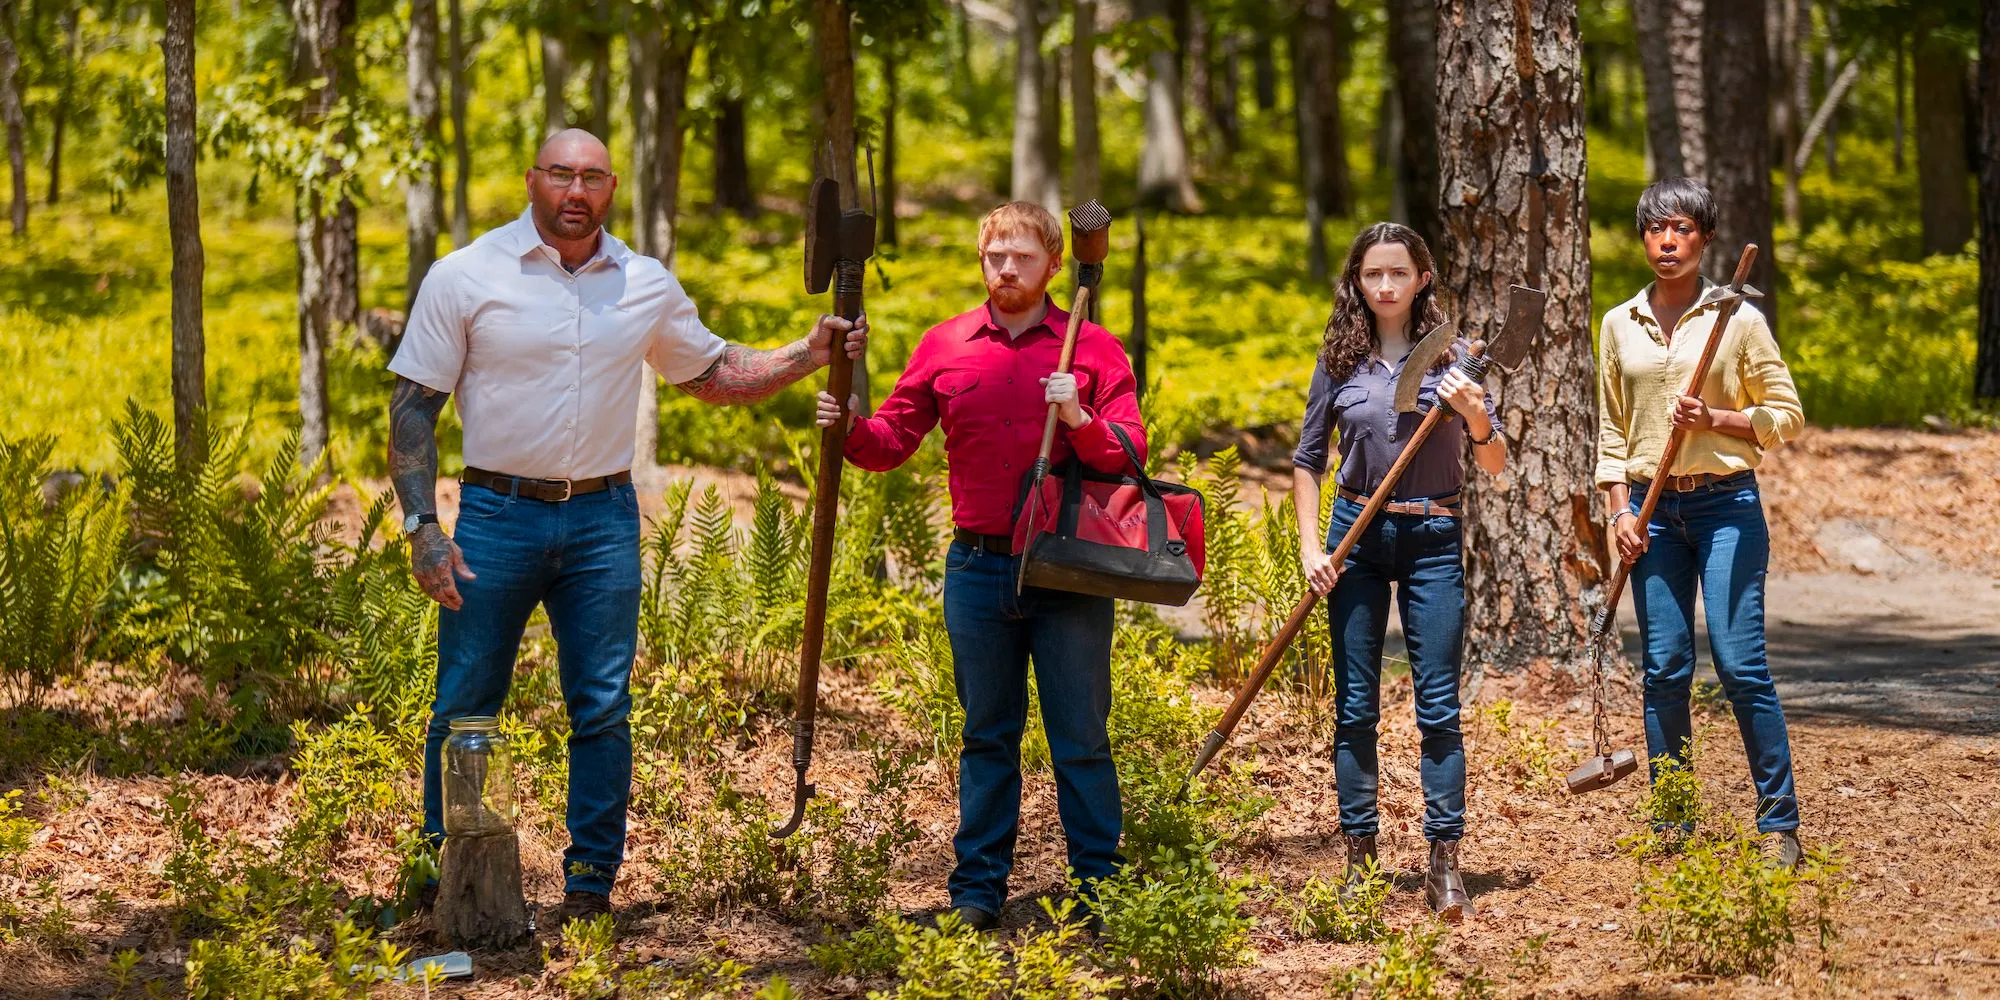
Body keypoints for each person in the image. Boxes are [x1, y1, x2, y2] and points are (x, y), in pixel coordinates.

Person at [388, 128, 867, 928]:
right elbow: (413, 408)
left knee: (602, 706)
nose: (576, 191)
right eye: (561, 175)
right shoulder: (465, 275)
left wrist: (806, 354)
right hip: (496, 517)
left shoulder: (643, 284)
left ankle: (589, 886)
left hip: (602, 521)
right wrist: (421, 528)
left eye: (593, 178)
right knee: (465, 704)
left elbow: (713, 374)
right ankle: (448, 878)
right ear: (532, 179)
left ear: (612, 189)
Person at [814, 202, 1144, 931]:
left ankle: (1099, 890)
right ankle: (977, 894)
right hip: (978, 569)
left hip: (1068, 570)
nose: (1006, 268)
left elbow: (1129, 458)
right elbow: (892, 440)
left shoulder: (1093, 350)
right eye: (994, 255)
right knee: (987, 734)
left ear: (1055, 264)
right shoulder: (947, 343)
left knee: (1080, 737)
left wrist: (1082, 418)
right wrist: (846, 425)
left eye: (1022, 256)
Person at [1291, 222, 1505, 921]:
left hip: (1432, 533)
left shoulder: (1460, 359)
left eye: (1398, 274)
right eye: (1371, 275)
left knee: (1438, 705)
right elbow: (1307, 460)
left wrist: (1475, 418)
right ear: (1356, 281)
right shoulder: (1339, 358)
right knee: (1355, 705)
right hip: (1352, 534)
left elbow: (1495, 464)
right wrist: (1310, 549)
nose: (1384, 287)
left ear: (1423, 279)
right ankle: (1361, 860)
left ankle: (1444, 862)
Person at [1595, 176, 1805, 867]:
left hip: (1725, 507)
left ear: (1704, 240)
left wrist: (1716, 418)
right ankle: (1673, 821)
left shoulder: (1735, 318)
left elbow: (1785, 413)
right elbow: (1610, 435)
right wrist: (1618, 514)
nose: (1668, 241)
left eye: (1682, 229)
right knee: (1663, 668)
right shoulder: (1618, 324)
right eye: (1656, 229)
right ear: (1643, 238)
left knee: (1741, 664)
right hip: (1652, 515)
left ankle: (1779, 826)